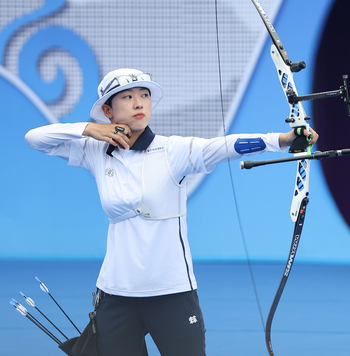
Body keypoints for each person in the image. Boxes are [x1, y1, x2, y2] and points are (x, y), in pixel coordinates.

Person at [25, 68, 317, 356]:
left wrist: (282, 140)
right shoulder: (96, 151)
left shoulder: (171, 150)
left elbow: (224, 146)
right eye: (127, 97)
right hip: (116, 293)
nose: (139, 103)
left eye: (144, 95)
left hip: (171, 292)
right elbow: (35, 138)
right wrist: (89, 129)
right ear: (108, 111)